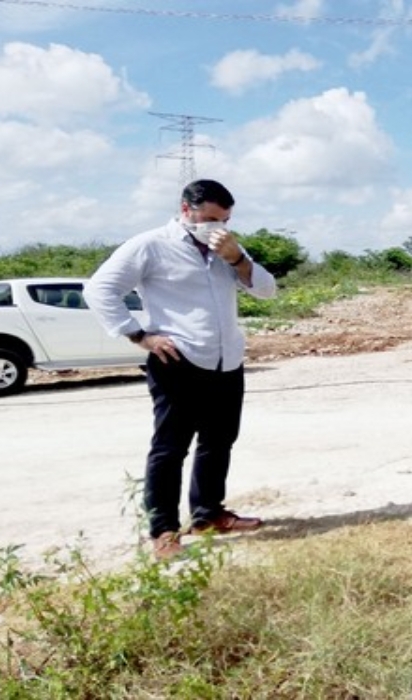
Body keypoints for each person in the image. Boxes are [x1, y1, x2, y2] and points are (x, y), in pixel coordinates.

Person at [84, 179, 278, 560]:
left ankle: (208, 514)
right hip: (177, 360)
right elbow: (100, 289)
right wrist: (139, 335)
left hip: (226, 360)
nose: (215, 226)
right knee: (170, 448)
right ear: (186, 209)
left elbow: (266, 290)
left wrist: (237, 257)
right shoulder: (151, 245)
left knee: (219, 441)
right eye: (208, 218)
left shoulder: (226, 248)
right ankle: (164, 530)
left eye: (223, 219)